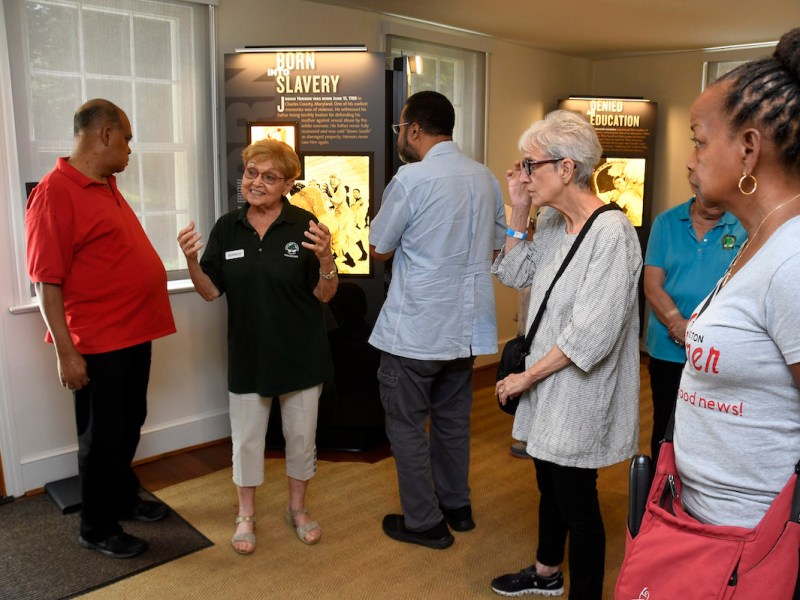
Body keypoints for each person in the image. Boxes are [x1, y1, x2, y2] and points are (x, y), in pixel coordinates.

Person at [491, 110, 642, 598]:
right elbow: (514, 275)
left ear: (565, 167)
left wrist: (523, 378)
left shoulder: (613, 234)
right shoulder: (554, 221)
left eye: (529, 165)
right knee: (548, 483)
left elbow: (590, 338)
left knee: (578, 500)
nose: (522, 174)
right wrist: (518, 210)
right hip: (546, 380)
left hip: (578, 388)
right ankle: (546, 571)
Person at [25, 99, 176, 559]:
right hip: (98, 341)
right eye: (127, 139)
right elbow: (46, 281)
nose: (130, 149)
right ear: (105, 135)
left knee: (130, 423)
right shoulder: (54, 193)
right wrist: (65, 353)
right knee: (102, 435)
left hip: (133, 333)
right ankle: (97, 526)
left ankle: (123, 498)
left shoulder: (105, 184)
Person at [177, 139, 337, 555]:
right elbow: (211, 292)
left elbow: (325, 294)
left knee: (300, 438)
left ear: (288, 184)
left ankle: (297, 510)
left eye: (270, 177)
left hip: (301, 353)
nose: (257, 182)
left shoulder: (305, 225)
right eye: (251, 173)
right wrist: (192, 262)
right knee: (246, 440)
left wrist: (326, 261)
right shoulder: (227, 227)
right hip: (248, 354)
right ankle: (245, 516)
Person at [673, 27, 800, 541]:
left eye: (699, 141)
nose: (690, 159)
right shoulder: (759, 244)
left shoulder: (792, 259)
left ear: (749, 149)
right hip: (711, 527)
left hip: (757, 542)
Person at [370, 91, 506, 550]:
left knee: (406, 424)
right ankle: (456, 507)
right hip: (465, 329)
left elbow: (380, 247)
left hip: (416, 329)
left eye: (400, 130)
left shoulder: (412, 178)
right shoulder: (485, 177)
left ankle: (424, 522)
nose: (400, 139)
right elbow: (495, 248)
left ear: (412, 129)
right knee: (452, 422)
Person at [643, 190, 745, 464]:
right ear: (695, 187)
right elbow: (652, 285)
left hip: (717, 350)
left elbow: (742, 290)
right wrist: (678, 323)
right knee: (666, 425)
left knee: (709, 428)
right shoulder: (666, 223)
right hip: (668, 348)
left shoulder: (742, 226)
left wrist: (701, 333)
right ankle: (659, 497)